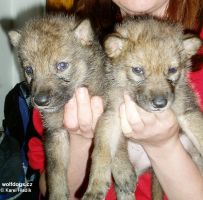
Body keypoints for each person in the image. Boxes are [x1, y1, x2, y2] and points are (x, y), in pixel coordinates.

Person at [27, 0, 203, 199]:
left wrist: (164, 147)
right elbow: (47, 187)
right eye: (137, 70)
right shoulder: (63, 46)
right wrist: (81, 139)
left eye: (171, 70)